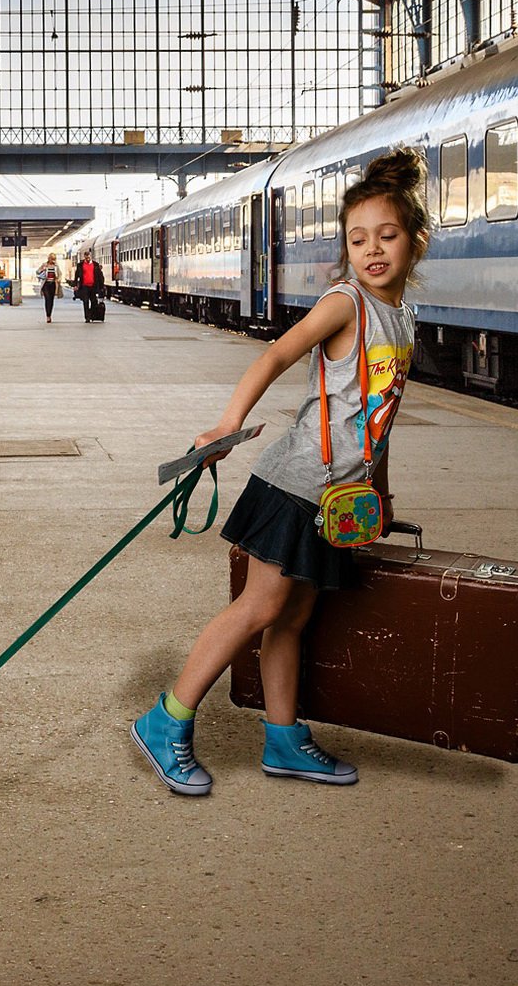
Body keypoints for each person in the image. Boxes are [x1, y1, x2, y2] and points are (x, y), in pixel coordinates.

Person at [129, 149, 427, 796]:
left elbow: (378, 416)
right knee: (260, 605)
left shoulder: (401, 319)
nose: (372, 249)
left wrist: (378, 482)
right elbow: (277, 354)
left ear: (415, 240)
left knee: (292, 618)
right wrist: (226, 426)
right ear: (345, 249)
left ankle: (284, 739)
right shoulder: (346, 303)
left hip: (337, 499)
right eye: (357, 238)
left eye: (387, 235)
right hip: (294, 485)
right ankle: (166, 720)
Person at [76, 254, 105, 322]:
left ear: (90, 257)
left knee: (93, 301)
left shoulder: (95, 265)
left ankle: (92, 314)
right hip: (84, 286)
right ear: (84, 257)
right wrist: (75, 285)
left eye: (89, 257)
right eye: (86, 258)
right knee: (85, 301)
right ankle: (87, 317)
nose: (88, 259)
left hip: (93, 286)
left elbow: (100, 276)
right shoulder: (80, 265)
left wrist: (101, 286)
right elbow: (77, 274)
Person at [36, 252, 63, 323]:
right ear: (49, 259)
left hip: (53, 284)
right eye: (52, 259)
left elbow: (60, 274)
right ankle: (48, 316)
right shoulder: (44, 265)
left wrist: (59, 279)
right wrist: (42, 269)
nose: (53, 260)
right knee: (47, 299)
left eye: (54, 259)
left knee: (51, 300)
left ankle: (50, 314)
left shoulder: (56, 266)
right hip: (46, 284)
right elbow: (37, 272)